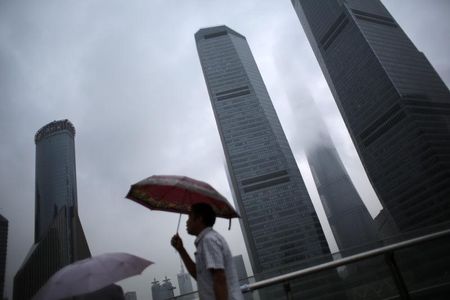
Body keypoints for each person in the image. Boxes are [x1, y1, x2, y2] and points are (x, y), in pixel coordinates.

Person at [171, 203, 244, 300]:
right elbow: (200, 276)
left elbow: (219, 278)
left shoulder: (209, 240)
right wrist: (181, 250)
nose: (187, 222)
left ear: (199, 219)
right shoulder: (206, 240)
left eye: (189, 217)